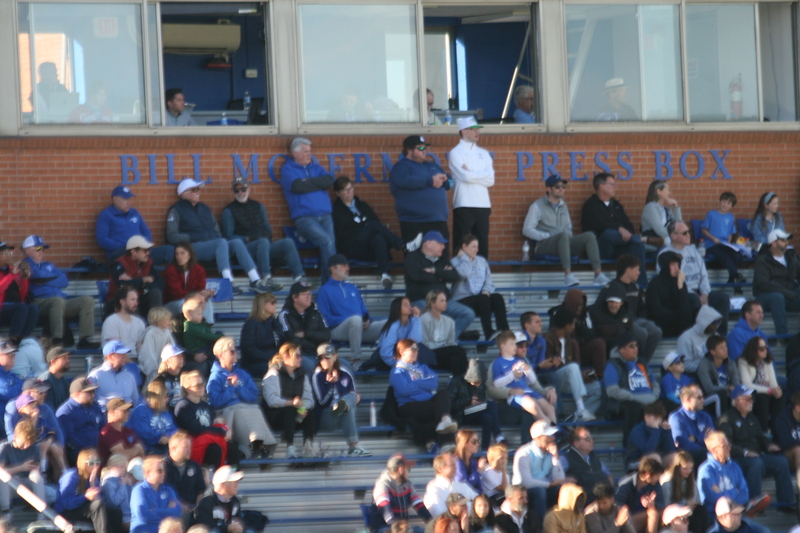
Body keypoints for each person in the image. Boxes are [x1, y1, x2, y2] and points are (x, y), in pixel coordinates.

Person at [166, 178, 267, 293]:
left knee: (236, 242)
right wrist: (192, 237)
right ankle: (228, 281)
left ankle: (255, 280)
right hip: (193, 247)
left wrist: (216, 242)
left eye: (198, 189)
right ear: (183, 194)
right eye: (194, 190)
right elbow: (171, 236)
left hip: (214, 246)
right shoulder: (176, 210)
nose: (198, 192)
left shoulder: (205, 209)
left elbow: (217, 232)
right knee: (221, 242)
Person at [716, 385, 796, 513]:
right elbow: (726, 445)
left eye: (752, 399)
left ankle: (785, 503)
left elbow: (761, 437)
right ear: (736, 401)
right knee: (756, 463)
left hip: (756, 456)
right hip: (737, 460)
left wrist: (769, 445)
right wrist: (745, 452)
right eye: (747, 399)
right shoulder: (726, 419)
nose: (751, 401)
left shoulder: (752, 418)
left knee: (781, 461)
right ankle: (753, 504)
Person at [523, 174, 610, 287]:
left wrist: (568, 237)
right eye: (557, 187)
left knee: (589, 236)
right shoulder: (537, 206)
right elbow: (526, 230)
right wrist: (546, 235)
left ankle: (598, 274)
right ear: (548, 189)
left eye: (563, 187)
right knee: (563, 235)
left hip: (563, 242)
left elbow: (569, 228)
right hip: (544, 244)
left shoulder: (563, 206)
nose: (561, 189)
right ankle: (568, 275)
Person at [221, 176, 305, 290]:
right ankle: (266, 277)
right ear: (233, 192)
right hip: (245, 250)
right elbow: (228, 237)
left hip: (264, 246)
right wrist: (247, 239)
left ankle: (299, 279)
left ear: (249, 189)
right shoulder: (228, 211)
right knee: (263, 241)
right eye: (237, 190)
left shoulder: (258, 206)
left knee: (288, 242)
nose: (240, 192)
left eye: (243, 189)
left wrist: (266, 235)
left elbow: (267, 228)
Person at [22, 235, 98, 349]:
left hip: (60, 301)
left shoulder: (48, 265)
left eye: (43, 248)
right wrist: (52, 278)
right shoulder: (24, 264)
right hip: (39, 303)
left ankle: (84, 339)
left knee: (87, 300)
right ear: (27, 250)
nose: (41, 251)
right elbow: (38, 275)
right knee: (57, 301)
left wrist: (45, 281)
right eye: (38, 248)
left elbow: (64, 281)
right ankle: (57, 339)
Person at [207, 337, 276, 459]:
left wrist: (238, 388)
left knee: (255, 408)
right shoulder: (215, 377)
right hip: (227, 410)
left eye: (236, 351)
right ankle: (253, 445)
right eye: (232, 351)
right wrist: (231, 388)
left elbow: (253, 396)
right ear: (221, 355)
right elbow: (215, 402)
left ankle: (261, 444)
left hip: (245, 407)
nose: (236, 354)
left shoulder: (242, 374)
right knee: (239, 411)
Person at [331, 176, 406, 288]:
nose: (350, 192)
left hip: (368, 248)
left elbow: (375, 222)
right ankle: (401, 245)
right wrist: (364, 224)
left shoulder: (362, 205)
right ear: (338, 193)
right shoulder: (336, 211)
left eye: (351, 188)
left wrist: (363, 225)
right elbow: (344, 233)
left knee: (378, 237)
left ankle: (384, 274)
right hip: (351, 247)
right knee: (373, 226)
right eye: (346, 190)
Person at [279, 137, 336, 282]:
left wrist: (308, 183)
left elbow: (329, 181)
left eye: (309, 151)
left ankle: (329, 282)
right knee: (327, 241)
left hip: (325, 215)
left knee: (330, 245)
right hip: (305, 218)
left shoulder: (316, 167)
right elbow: (297, 186)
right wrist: (317, 184)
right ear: (295, 153)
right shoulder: (287, 169)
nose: (309, 154)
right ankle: (331, 282)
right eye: (305, 152)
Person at [659, 221, 731, 334]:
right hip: (680, 294)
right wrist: (697, 296)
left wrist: (705, 294)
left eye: (689, 232)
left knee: (722, 298)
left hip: (699, 292)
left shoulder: (692, 250)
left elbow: (703, 275)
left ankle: (720, 337)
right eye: (684, 233)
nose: (688, 235)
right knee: (693, 300)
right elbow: (669, 282)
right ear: (673, 236)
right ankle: (698, 334)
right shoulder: (665, 255)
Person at [404, 231, 476, 340]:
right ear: (428, 243)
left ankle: (447, 339)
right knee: (430, 316)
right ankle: (440, 341)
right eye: (440, 243)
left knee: (468, 314)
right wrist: (441, 275)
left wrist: (435, 271)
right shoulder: (413, 257)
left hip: (443, 301)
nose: (443, 247)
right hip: (421, 300)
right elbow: (418, 276)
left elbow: (454, 276)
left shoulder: (442, 260)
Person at [317, 254, 385, 363]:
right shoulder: (324, 291)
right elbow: (326, 319)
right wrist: (351, 319)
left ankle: (384, 360)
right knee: (355, 320)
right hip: (337, 330)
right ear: (333, 269)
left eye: (347, 266)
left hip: (360, 329)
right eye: (343, 266)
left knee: (390, 323)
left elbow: (364, 312)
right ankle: (356, 360)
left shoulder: (353, 288)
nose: (348, 268)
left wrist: (367, 320)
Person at [580, 173, 647, 285]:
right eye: (612, 184)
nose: (614, 187)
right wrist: (619, 228)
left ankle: (641, 286)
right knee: (609, 233)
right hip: (600, 249)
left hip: (618, 249)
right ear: (601, 186)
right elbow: (599, 225)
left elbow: (629, 226)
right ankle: (638, 239)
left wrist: (625, 232)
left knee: (637, 246)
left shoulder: (616, 206)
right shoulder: (590, 206)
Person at [390, 339, 458, 448]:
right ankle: (446, 443)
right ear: (402, 351)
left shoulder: (423, 368)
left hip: (426, 402)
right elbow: (404, 390)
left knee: (443, 393)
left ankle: (445, 421)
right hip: (409, 405)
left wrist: (413, 383)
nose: (416, 352)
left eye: (417, 349)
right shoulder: (397, 371)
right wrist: (424, 385)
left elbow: (434, 383)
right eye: (413, 349)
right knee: (438, 409)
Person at [390, 135, 452, 251]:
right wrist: (430, 181)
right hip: (414, 222)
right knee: (416, 258)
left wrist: (445, 180)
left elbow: (452, 182)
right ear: (409, 150)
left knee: (441, 257)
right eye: (421, 148)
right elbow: (403, 181)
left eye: (425, 148)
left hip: (438, 220)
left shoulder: (432, 166)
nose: (425, 151)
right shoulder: (401, 167)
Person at [597, 254, 662, 365]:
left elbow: (642, 308)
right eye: (637, 269)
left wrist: (640, 319)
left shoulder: (635, 287)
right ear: (628, 270)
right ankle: (634, 363)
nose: (639, 273)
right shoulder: (610, 287)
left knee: (656, 331)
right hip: (619, 323)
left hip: (634, 320)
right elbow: (600, 309)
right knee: (642, 333)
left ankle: (642, 364)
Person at [311, 343, 370, 457]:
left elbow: (353, 396)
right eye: (321, 358)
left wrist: (358, 398)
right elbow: (321, 402)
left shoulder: (345, 373)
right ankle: (353, 447)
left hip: (341, 414)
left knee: (349, 402)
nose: (324, 360)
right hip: (325, 417)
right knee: (347, 404)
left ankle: (353, 447)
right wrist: (330, 385)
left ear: (335, 356)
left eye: (327, 356)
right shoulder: (317, 376)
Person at [541, 309, 601, 420]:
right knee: (573, 367)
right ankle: (581, 409)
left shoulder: (568, 339)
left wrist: (581, 375)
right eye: (572, 324)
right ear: (566, 325)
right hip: (554, 380)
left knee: (598, 388)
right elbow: (548, 367)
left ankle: (575, 418)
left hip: (568, 379)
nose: (574, 326)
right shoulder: (547, 339)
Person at [262, 342, 317, 459]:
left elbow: (309, 399)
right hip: (274, 416)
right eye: (297, 356)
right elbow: (272, 400)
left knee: (310, 412)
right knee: (289, 410)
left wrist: (303, 408)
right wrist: (292, 403)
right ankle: (290, 447)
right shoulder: (273, 373)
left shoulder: (302, 375)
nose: (300, 358)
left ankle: (308, 445)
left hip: (295, 416)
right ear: (286, 357)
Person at [603, 331, 660, 446]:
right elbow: (612, 391)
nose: (635, 349)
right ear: (621, 349)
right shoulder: (612, 365)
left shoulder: (642, 363)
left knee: (666, 406)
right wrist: (635, 398)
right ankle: (631, 447)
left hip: (647, 399)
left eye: (636, 345)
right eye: (631, 346)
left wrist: (653, 396)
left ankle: (663, 446)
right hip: (623, 403)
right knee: (634, 407)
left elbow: (655, 384)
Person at [449, 117, 494, 258]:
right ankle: (460, 276)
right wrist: (480, 175)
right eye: (473, 129)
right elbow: (464, 177)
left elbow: (491, 180)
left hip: (483, 204)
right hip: (463, 204)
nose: (477, 131)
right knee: (462, 242)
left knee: (482, 244)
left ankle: (481, 277)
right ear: (463, 131)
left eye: (478, 128)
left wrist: (470, 173)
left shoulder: (484, 153)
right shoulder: (455, 152)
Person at [95, 185, 174, 265]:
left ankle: (176, 276)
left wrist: (142, 247)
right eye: (125, 199)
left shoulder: (134, 213)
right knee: (125, 254)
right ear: (115, 200)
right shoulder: (106, 215)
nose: (129, 202)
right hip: (122, 253)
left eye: (130, 199)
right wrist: (127, 247)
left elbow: (146, 232)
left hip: (141, 252)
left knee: (169, 250)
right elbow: (102, 240)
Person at [174, 370, 236, 468]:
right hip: (192, 442)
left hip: (207, 439)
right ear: (188, 389)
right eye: (197, 385)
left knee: (232, 446)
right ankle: (212, 477)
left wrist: (224, 429)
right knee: (215, 449)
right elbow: (195, 429)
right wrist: (220, 430)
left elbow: (213, 423)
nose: (202, 387)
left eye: (202, 384)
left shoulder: (205, 406)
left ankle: (232, 476)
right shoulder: (183, 406)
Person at [492, 330, 557, 425]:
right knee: (532, 405)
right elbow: (496, 384)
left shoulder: (521, 361)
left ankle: (555, 435)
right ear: (503, 346)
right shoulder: (498, 363)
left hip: (528, 391)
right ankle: (549, 425)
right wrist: (512, 375)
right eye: (512, 344)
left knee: (550, 408)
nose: (515, 346)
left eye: (515, 344)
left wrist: (528, 370)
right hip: (515, 395)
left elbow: (533, 381)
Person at [450, 235, 508, 340]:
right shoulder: (455, 261)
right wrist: (464, 258)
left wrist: (486, 290)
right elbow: (464, 273)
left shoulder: (481, 261)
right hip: (462, 300)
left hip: (480, 300)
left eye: (477, 247)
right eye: (473, 247)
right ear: (464, 247)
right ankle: (489, 332)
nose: (476, 250)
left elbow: (489, 281)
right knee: (483, 299)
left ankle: (505, 332)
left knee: (497, 297)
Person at [55, 448, 121, 533]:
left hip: (84, 509)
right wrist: (85, 497)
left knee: (116, 512)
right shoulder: (71, 477)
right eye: (91, 463)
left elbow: (98, 499)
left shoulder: (94, 478)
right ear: (83, 464)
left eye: (97, 463)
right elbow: (66, 503)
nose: (95, 466)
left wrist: (92, 483)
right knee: (97, 505)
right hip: (65, 512)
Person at [512, 420, 566, 524]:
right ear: (539, 438)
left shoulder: (550, 453)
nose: (553, 438)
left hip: (544, 487)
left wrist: (555, 457)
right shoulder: (524, 453)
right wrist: (549, 484)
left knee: (561, 489)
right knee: (539, 491)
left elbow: (559, 480)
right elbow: (526, 482)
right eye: (549, 436)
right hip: (524, 490)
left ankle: (559, 524)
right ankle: (541, 526)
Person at [447, 358, 504, 451]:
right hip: (460, 415)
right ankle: (498, 435)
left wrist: (478, 403)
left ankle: (485, 449)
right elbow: (450, 405)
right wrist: (468, 401)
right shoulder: (456, 382)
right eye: (476, 382)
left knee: (488, 417)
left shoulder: (481, 385)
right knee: (491, 404)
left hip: (474, 412)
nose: (478, 384)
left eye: (480, 382)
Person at [548, 289, 608, 377]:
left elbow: (592, 334)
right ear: (571, 302)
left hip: (581, 349)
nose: (580, 308)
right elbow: (554, 336)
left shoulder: (585, 314)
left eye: (582, 305)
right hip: (562, 352)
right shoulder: (558, 313)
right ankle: (578, 376)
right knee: (572, 343)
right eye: (578, 305)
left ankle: (600, 375)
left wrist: (579, 325)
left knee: (599, 343)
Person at [752, 228, 800, 335]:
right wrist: (786, 293)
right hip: (766, 296)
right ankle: (782, 336)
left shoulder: (791, 257)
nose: (787, 243)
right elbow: (764, 284)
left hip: (790, 294)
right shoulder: (763, 260)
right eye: (783, 240)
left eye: (787, 240)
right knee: (777, 297)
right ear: (773, 243)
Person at [278, 281, 331, 375]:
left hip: (317, 354)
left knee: (343, 364)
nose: (309, 297)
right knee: (310, 365)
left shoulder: (315, 313)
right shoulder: (285, 315)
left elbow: (327, 335)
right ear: (294, 298)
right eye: (304, 294)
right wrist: (314, 343)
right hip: (297, 355)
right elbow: (291, 340)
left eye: (309, 294)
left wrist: (306, 334)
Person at [369, 454, 431, 533]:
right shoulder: (382, 485)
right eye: (408, 469)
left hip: (402, 528)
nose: (409, 473)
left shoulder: (407, 485)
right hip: (383, 527)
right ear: (401, 469)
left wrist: (433, 523)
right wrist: (400, 529)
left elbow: (419, 505)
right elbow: (386, 511)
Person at [55, 376, 105, 465]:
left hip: (98, 449)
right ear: (77, 394)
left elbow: (103, 428)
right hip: (78, 453)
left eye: (93, 392)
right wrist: (88, 451)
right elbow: (69, 439)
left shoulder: (95, 407)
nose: (93, 395)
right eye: (89, 392)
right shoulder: (66, 411)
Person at [162, 242, 215, 324]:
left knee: (206, 301)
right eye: (177, 254)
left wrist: (206, 294)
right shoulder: (171, 270)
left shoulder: (198, 270)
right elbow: (176, 293)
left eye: (182, 253)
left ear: (189, 255)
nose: (179, 257)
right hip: (172, 303)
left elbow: (200, 288)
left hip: (190, 299)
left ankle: (208, 326)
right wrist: (197, 294)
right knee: (184, 304)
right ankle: (189, 327)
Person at [0, 419, 45, 514]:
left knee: (37, 477)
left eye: (28, 444)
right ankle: (6, 512)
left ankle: (42, 513)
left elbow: (36, 469)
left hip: (27, 483)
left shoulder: (34, 449)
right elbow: (1, 472)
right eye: (23, 443)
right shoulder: (5, 448)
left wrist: (35, 470)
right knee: (2, 479)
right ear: (15, 437)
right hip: (10, 485)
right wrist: (21, 467)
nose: (25, 447)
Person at [418, 291, 469, 373]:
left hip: (445, 354)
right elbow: (424, 344)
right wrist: (443, 345)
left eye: (445, 301)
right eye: (442, 301)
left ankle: (458, 383)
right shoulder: (423, 320)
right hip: (430, 354)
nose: (445, 303)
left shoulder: (449, 321)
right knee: (459, 350)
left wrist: (446, 346)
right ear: (432, 303)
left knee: (455, 360)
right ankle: (469, 381)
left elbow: (451, 342)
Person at [645, 252, 694, 337]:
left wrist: (680, 287)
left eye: (677, 264)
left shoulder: (680, 282)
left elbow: (683, 306)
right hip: (661, 322)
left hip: (678, 322)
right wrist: (676, 315)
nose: (676, 268)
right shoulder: (654, 284)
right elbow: (655, 310)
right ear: (665, 265)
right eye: (672, 265)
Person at [737, 336, 784, 425]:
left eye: (766, 347)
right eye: (761, 348)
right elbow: (747, 385)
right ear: (754, 349)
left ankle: (777, 429)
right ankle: (763, 430)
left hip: (768, 392)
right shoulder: (743, 361)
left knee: (780, 398)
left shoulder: (767, 361)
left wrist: (776, 391)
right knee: (762, 398)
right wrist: (769, 391)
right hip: (752, 393)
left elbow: (773, 382)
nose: (765, 350)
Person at [130, 455, 182, 533]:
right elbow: (143, 514)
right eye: (159, 471)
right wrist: (167, 514)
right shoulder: (139, 490)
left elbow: (177, 512)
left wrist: (154, 510)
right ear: (148, 473)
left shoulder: (168, 490)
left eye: (164, 471)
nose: (163, 474)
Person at [0, 242, 39, 347]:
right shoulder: (12, 272)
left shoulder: (12, 270)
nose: (8, 255)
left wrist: (24, 278)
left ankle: (23, 339)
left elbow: (22, 293)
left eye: (9, 252)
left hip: (15, 308)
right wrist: (11, 274)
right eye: (4, 253)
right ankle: (13, 339)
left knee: (33, 309)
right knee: (21, 307)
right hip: (2, 308)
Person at [561, 427, 614, 503]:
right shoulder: (566, 459)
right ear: (576, 443)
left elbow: (609, 475)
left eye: (592, 438)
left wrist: (609, 490)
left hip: (603, 499)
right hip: (584, 501)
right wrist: (564, 480)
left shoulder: (594, 458)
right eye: (587, 439)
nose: (591, 441)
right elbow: (556, 478)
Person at [240, 292, 285, 379]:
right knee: (279, 369)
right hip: (254, 364)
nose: (275, 305)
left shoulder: (273, 322)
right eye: (272, 302)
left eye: (276, 302)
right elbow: (249, 350)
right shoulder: (251, 324)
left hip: (272, 359)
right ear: (263, 305)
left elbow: (283, 339)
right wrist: (272, 356)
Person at [660, 451, 708, 533]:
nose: (688, 471)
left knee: (701, 510)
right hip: (676, 516)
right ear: (677, 467)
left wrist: (692, 504)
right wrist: (685, 505)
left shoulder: (691, 481)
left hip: (689, 511)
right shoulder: (667, 484)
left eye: (690, 468)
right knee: (695, 520)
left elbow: (697, 501)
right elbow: (667, 508)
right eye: (685, 469)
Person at [668, 384, 715, 466]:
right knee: (707, 455)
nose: (703, 400)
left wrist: (696, 439)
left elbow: (714, 439)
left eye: (703, 397)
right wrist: (704, 441)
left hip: (707, 453)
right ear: (688, 399)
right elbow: (684, 444)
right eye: (699, 398)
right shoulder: (676, 418)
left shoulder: (705, 416)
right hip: (688, 458)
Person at [164, 430, 206, 520]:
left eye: (190, 447)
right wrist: (179, 504)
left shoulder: (195, 467)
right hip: (172, 508)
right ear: (174, 448)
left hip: (193, 507)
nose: (189, 450)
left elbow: (200, 491)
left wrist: (197, 507)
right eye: (185, 447)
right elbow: (162, 491)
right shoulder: (163, 467)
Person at [128, 380, 178, 454]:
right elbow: (145, 435)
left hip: (165, 446)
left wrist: (168, 436)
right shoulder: (141, 410)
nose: (167, 400)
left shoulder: (163, 409)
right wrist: (160, 438)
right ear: (157, 398)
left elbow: (174, 429)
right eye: (165, 397)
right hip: (148, 449)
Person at [614, 458, 664, 533]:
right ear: (647, 475)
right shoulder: (625, 485)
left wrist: (653, 505)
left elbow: (661, 505)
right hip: (628, 522)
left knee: (662, 513)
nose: (658, 478)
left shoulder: (655, 485)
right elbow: (618, 507)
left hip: (648, 521)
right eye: (657, 476)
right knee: (652, 513)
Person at [423, 451, 479, 518]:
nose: (456, 468)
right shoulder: (433, 490)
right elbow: (440, 515)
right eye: (452, 465)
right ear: (440, 469)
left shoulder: (462, 486)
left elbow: (480, 503)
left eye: (455, 465)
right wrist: (469, 506)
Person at [194, 466, 248, 533]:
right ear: (222, 484)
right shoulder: (206, 502)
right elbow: (204, 527)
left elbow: (239, 520)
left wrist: (240, 526)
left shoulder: (235, 502)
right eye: (234, 482)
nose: (237, 486)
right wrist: (227, 528)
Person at [89, 341, 140, 408]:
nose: (124, 357)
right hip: (105, 415)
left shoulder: (130, 376)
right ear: (110, 356)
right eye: (121, 354)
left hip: (128, 415)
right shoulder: (95, 375)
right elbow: (89, 401)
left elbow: (135, 400)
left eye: (125, 354)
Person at [626, 402, 676, 469]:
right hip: (634, 462)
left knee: (674, 457)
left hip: (657, 458)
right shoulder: (637, 431)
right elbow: (648, 450)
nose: (658, 421)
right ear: (646, 417)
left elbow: (670, 450)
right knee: (654, 458)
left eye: (660, 418)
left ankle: (670, 479)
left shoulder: (661, 429)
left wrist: (667, 431)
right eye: (655, 418)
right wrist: (656, 430)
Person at [696, 335, 740, 411]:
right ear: (713, 352)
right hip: (709, 398)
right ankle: (722, 421)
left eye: (725, 346)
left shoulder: (731, 363)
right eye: (721, 348)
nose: (725, 350)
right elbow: (708, 389)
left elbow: (736, 384)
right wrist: (727, 388)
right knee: (722, 394)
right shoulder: (704, 365)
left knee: (746, 395)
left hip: (727, 395)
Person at [676, 306, 723, 375]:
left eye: (718, 322)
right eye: (714, 322)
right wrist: (707, 367)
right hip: (695, 377)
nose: (716, 325)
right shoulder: (686, 338)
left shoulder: (716, 335)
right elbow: (684, 365)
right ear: (705, 322)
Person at [98, 398, 144, 465]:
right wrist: (136, 449)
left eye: (128, 410)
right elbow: (121, 455)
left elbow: (141, 452)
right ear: (112, 412)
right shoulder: (107, 432)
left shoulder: (128, 431)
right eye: (124, 411)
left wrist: (131, 451)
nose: (128, 413)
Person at [137, 307, 176, 386]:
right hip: (154, 369)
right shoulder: (151, 333)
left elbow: (172, 348)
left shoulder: (167, 332)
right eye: (167, 319)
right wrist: (153, 369)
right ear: (159, 320)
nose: (169, 321)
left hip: (164, 367)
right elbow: (148, 352)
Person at [181, 297, 221, 364]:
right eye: (198, 314)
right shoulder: (189, 326)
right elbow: (205, 336)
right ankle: (212, 363)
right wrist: (221, 337)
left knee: (218, 335)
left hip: (203, 346)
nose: (201, 316)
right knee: (215, 344)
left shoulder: (200, 323)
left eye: (201, 314)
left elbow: (209, 333)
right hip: (197, 350)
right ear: (189, 314)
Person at [640, 181, 681, 247]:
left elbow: (679, 225)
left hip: (668, 243)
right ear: (659, 191)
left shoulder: (666, 209)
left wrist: (676, 207)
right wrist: (678, 235)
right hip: (655, 246)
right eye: (667, 189)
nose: (669, 193)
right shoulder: (650, 207)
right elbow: (661, 232)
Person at [40, 345, 71, 411]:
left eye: (68, 358)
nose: (68, 361)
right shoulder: (45, 380)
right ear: (53, 361)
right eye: (64, 358)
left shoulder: (63, 381)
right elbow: (48, 408)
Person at [453, 429, 483, 494]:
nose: (477, 444)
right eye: (474, 442)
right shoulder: (457, 462)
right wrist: (478, 471)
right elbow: (463, 485)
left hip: (473, 497)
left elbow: (479, 487)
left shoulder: (473, 462)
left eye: (478, 441)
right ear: (464, 443)